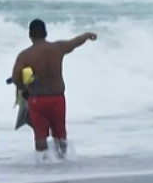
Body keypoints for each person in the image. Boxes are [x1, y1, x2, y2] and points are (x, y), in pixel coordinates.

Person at [11, 19, 98, 157]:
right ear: (46, 33)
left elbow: (15, 78)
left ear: (30, 35)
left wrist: (24, 88)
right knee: (60, 135)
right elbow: (74, 42)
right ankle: (63, 161)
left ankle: (43, 164)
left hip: (37, 100)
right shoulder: (57, 48)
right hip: (57, 98)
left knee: (40, 136)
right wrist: (86, 35)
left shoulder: (25, 55)